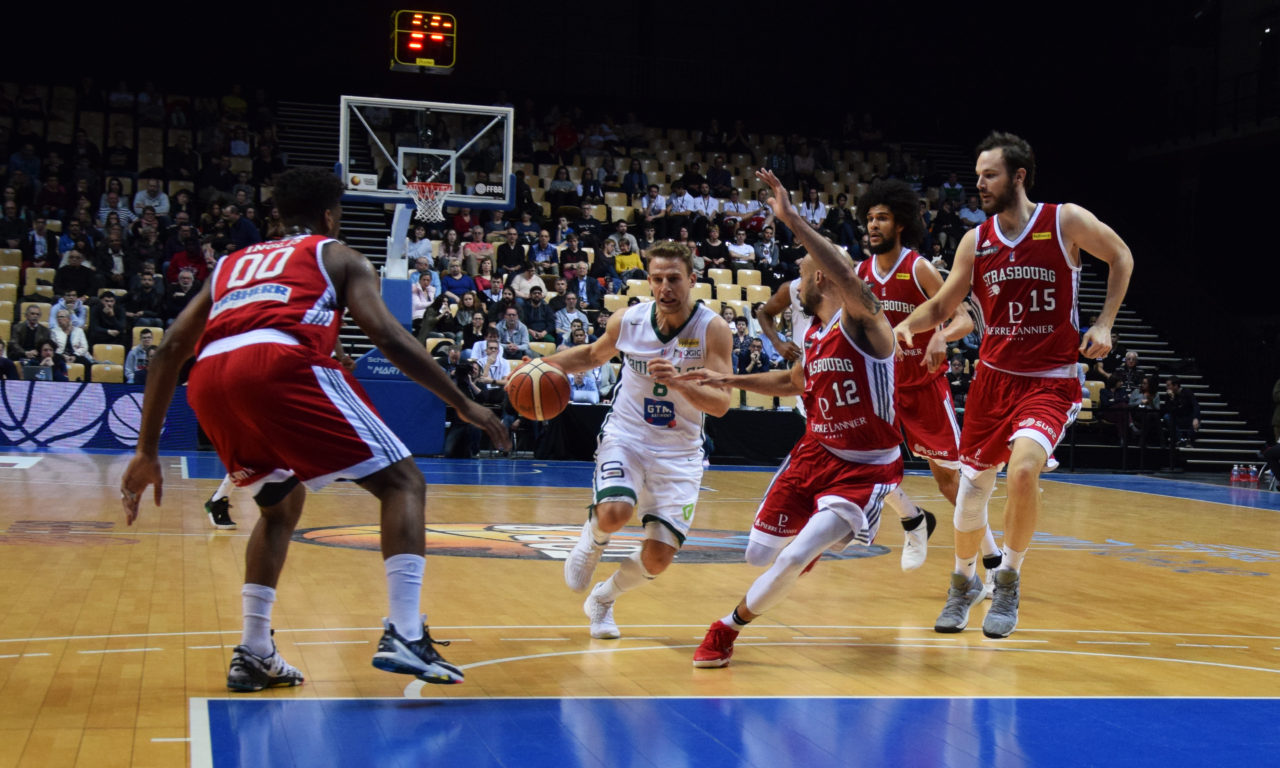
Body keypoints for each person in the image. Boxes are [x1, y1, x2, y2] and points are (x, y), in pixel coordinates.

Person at [120, 167, 509, 692]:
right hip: (279, 362)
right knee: (403, 482)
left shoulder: (232, 264)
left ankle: (254, 651)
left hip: (209, 378)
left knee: (279, 508)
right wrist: (462, 402)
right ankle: (405, 632)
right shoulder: (339, 255)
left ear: (280, 215)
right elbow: (389, 337)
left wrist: (146, 451)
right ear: (330, 215)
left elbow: (169, 348)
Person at [894, 132, 1133, 638]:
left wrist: (1105, 322)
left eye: (990, 175)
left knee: (1024, 471)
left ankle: (1008, 580)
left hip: (1049, 381)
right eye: (978, 175)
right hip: (992, 381)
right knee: (972, 494)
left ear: (1018, 176)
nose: (980, 184)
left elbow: (1121, 256)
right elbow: (944, 304)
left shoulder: (1064, 221)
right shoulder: (975, 241)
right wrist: (907, 327)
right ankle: (963, 583)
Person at [680, 169, 903, 668]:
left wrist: (791, 218)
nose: (793, 283)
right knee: (758, 555)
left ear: (820, 277)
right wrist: (727, 379)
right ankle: (813, 540)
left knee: (793, 557)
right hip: (813, 453)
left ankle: (726, 629)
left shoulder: (865, 321)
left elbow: (848, 276)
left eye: (800, 272)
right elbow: (793, 382)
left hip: (865, 468)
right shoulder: (815, 337)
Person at [538, 241, 733, 639]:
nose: (665, 287)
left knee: (658, 558)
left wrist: (679, 382)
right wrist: (542, 365)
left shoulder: (711, 329)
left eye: (674, 278)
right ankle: (593, 540)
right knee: (616, 511)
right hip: (627, 434)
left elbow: (721, 404)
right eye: (657, 279)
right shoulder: (628, 320)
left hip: (679, 450)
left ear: (692, 279)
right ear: (648, 280)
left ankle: (603, 599)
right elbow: (591, 355)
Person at [854, 179, 1001, 576]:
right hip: (882, 390)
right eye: (869, 218)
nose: (873, 225)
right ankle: (913, 519)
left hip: (923, 387)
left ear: (900, 223)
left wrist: (940, 336)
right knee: (864, 464)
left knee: (951, 483)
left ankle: (993, 559)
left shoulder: (918, 268)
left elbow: (964, 319)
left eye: (882, 218)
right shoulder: (860, 273)